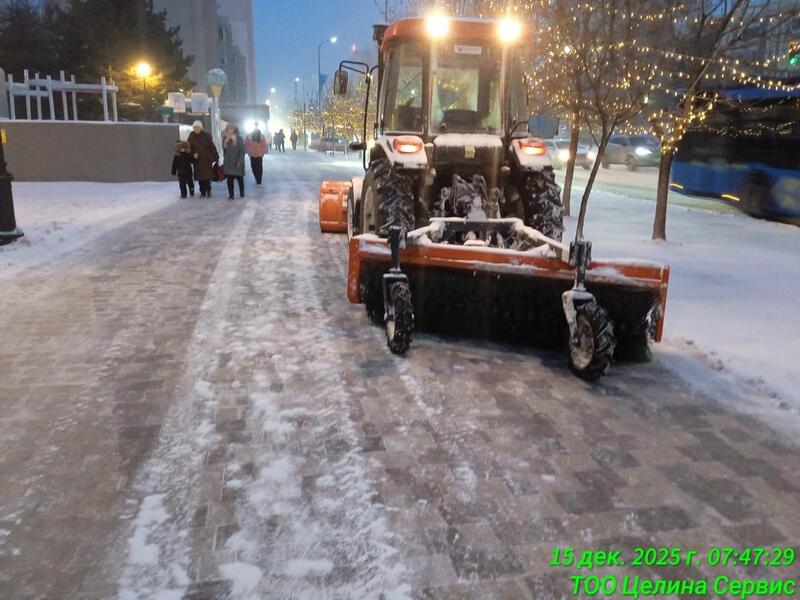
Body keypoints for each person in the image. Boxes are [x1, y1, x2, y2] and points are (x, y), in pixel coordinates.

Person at [188, 120, 219, 198]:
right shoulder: (191, 137)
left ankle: (208, 191)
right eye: (195, 127)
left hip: (206, 160)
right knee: (200, 178)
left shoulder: (207, 136)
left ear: (201, 128)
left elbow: (212, 147)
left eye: (198, 127)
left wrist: (214, 157)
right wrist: (192, 155)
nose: (196, 129)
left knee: (207, 178)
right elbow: (189, 149)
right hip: (197, 160)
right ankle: (202, 192)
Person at [222, 124, 245, 200]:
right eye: (229, 129)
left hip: (237, 161)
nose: (230, 130)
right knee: (229, 179)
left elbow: (242, 151)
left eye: (232, 129)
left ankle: (242, 192)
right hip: (228, 162)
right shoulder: (225, 138)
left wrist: (240, 161)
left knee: (239, 178)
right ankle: (231, 195)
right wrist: (225, 142)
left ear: (235, 129)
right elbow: (224, 150)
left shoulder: (239, 139)